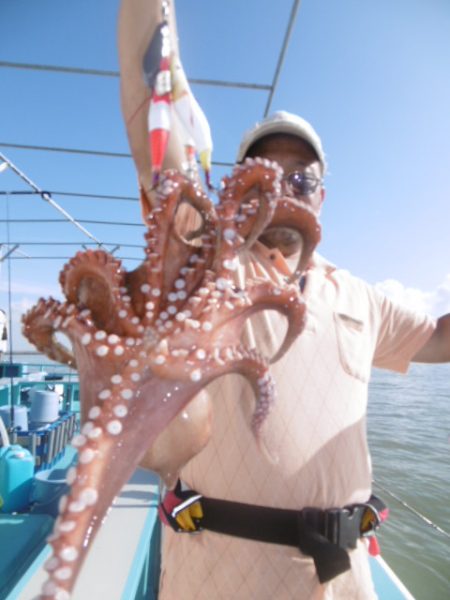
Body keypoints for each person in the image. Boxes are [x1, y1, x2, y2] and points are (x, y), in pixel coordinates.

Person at [117, 3, 450, 598]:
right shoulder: (202, 263)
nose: (284, 188)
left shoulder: (363, 300)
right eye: (266, 172)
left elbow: (440, 340)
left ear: (322, 196)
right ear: (241, 188)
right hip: (215, 576)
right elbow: (159, 135)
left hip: (342, 579)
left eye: (303, 178)